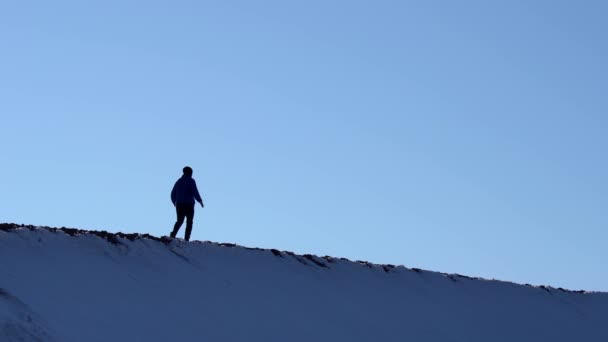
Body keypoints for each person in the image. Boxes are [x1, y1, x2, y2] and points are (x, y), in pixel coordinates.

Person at [170, 166, 204, 241]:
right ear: (190, 173)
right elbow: (195, 191)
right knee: (189, 222)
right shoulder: (191, 181)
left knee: (179, 221)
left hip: (179, 204)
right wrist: (200, 201)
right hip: (189, 204)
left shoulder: (179, 181)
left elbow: (173, 193)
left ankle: (173, 234)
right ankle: (186, 238)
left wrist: (174, 202)